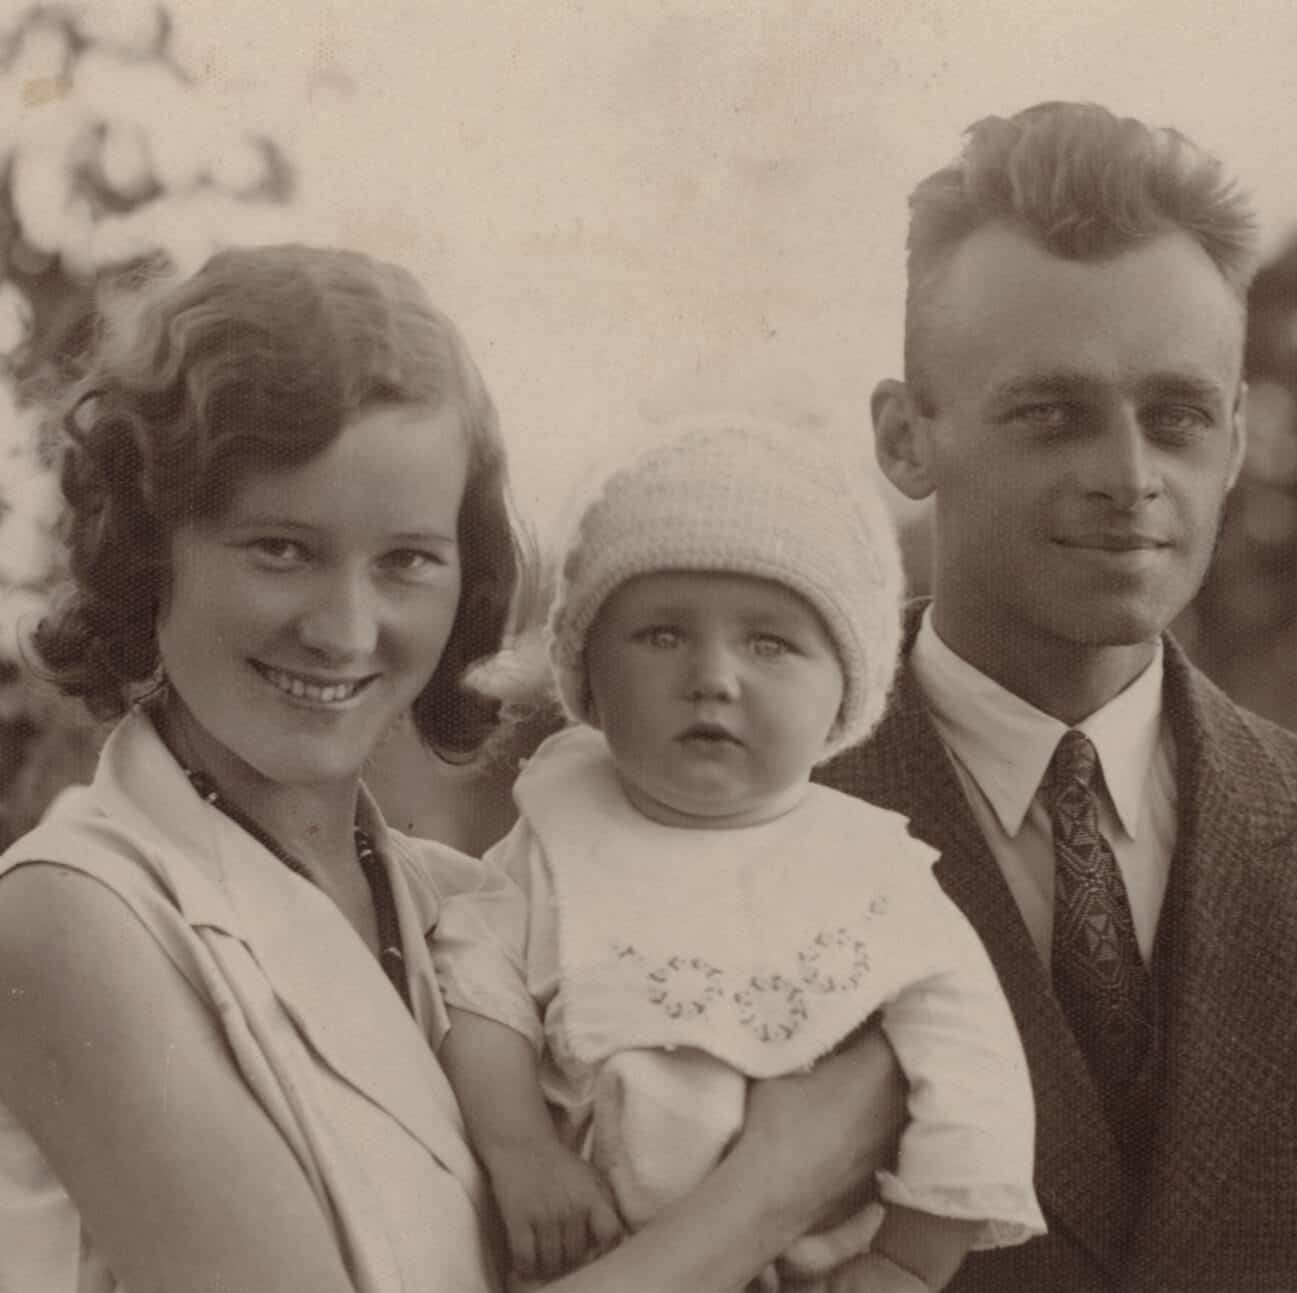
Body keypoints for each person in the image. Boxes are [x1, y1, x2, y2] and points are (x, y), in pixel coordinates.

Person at [0, 244, 906, 1293]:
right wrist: (776, 1188)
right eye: (279, 549)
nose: (346, 630)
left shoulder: (466, 902)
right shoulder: (75, 918)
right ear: (150, 544)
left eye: (405, 561)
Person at [816, 102, 1297, 1290]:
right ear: (905, 438)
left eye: (1177, 417)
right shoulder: (736, 812)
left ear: (1235, 438)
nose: (1130, 481)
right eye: (1051, 415)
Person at [431, 420, 1045, 1291]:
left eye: (770, 643)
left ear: (844, 694)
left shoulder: (873, 873)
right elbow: (475, 991)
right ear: (588, 677)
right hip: (585, 1250)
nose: (714, 676)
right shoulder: (559, 830)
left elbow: (975, 1076)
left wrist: (907, 1260)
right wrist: (521, 1147)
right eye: (662, 635)